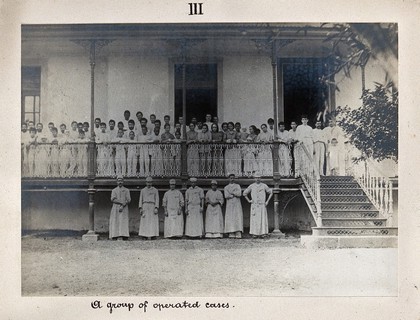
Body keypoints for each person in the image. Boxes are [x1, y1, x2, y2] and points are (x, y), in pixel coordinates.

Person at [243, 173, 273, 238]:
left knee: (262, 219)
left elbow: (270, 192)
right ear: (254, 178)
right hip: (255, 205)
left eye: (259, 177)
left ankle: (263, 233)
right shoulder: (251, 186)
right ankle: (254, 234)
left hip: (262, 205)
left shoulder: (264, 185)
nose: (257, 179)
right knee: (255, 220)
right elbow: (244, 193)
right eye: (256, 178)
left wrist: (267, 201)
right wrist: (249, 200)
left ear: (261, 178)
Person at [109, 176, 131, 240]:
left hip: (124, 208)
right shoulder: (114, 190)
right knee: (116, 220)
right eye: (119, 181)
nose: (120, 182)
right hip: (115, 207)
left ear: (123, 181)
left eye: (121, 181)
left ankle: (123, 235)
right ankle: (115, 235)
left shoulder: (126, 190)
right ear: (117, 182)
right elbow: (113, 199)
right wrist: (122, 202)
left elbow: (128, 199)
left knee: (123, 221)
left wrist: (123, 204)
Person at [224, 174, 243, 239]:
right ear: (229, 179)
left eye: (233, 178)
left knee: (237, 216)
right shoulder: (226, 187)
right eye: (230, 178)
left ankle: (238, 232)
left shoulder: (237, 186)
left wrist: (232, 193)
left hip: (237, 203)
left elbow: (239, 194)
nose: (232, 179)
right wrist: (234, 193)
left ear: (234, 179)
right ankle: (231, 232)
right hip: (229, 204)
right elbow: (226, 196)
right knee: (230, 217)